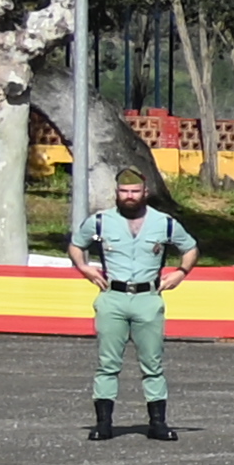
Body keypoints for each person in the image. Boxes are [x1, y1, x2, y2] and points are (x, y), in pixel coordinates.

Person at [73, 148, 195, 441]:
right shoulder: (100, 221)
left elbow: (190, 247)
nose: (129, 195)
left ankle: (158, 423)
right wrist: (84, 268)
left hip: (147, 298)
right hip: (112, 297)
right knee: (107, 363)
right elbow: (77, 244)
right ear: (116, 192)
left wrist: (181, 272)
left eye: (135, 190)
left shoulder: (164, 223)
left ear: (146, 191)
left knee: (153, 363)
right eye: (124, 190)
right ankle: (103, 424)